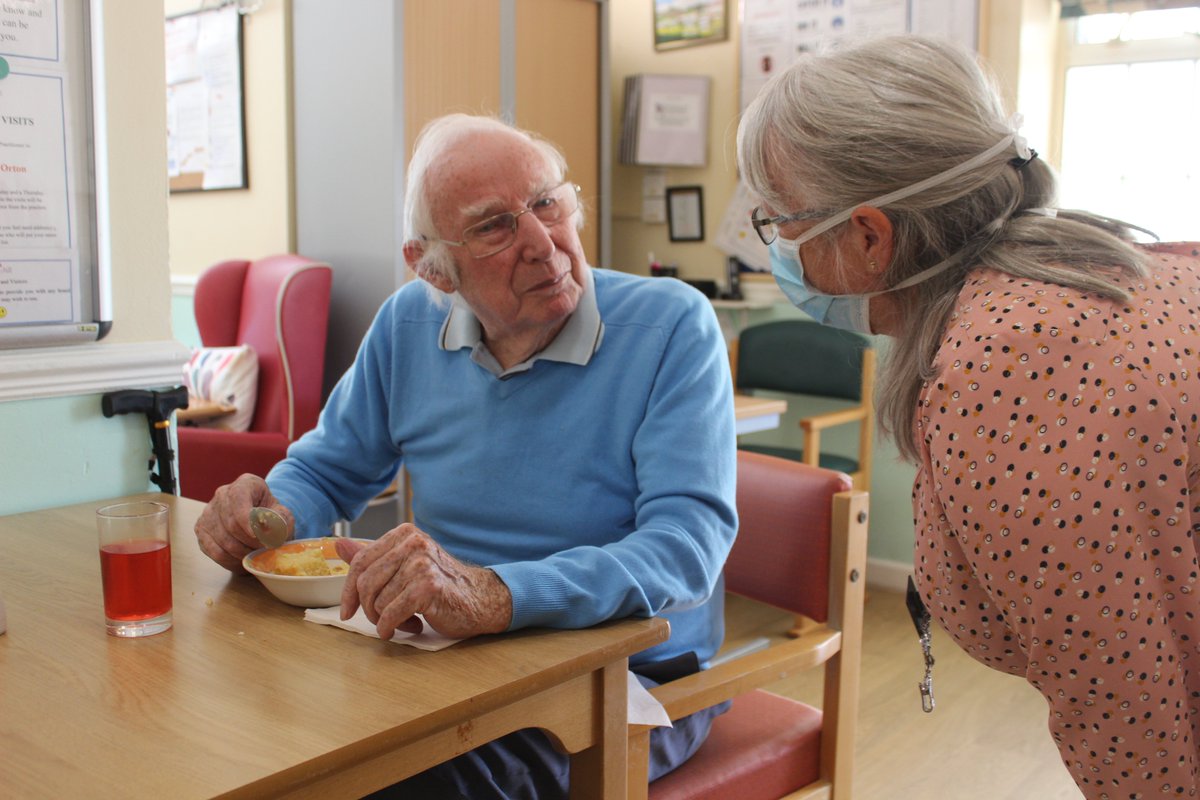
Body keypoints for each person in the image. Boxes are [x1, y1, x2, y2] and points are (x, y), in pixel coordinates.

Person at [193, 113, 737, 798]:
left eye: (547, 202)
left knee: (394, 785)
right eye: (494, 226)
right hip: (448, 659)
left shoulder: (672, 326)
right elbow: (326, 469)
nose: (543, 243)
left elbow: (686, 548)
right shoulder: (406, 323)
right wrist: (267, 516)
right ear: (432, 268)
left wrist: (498, 595)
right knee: (259, 741)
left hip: (627, 677)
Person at [737, 34, 1200, 799]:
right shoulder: (1102, 269)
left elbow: (1126, 710)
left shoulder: (1011, 371)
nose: (778, 247)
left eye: (782, 222)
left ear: (868, 236)